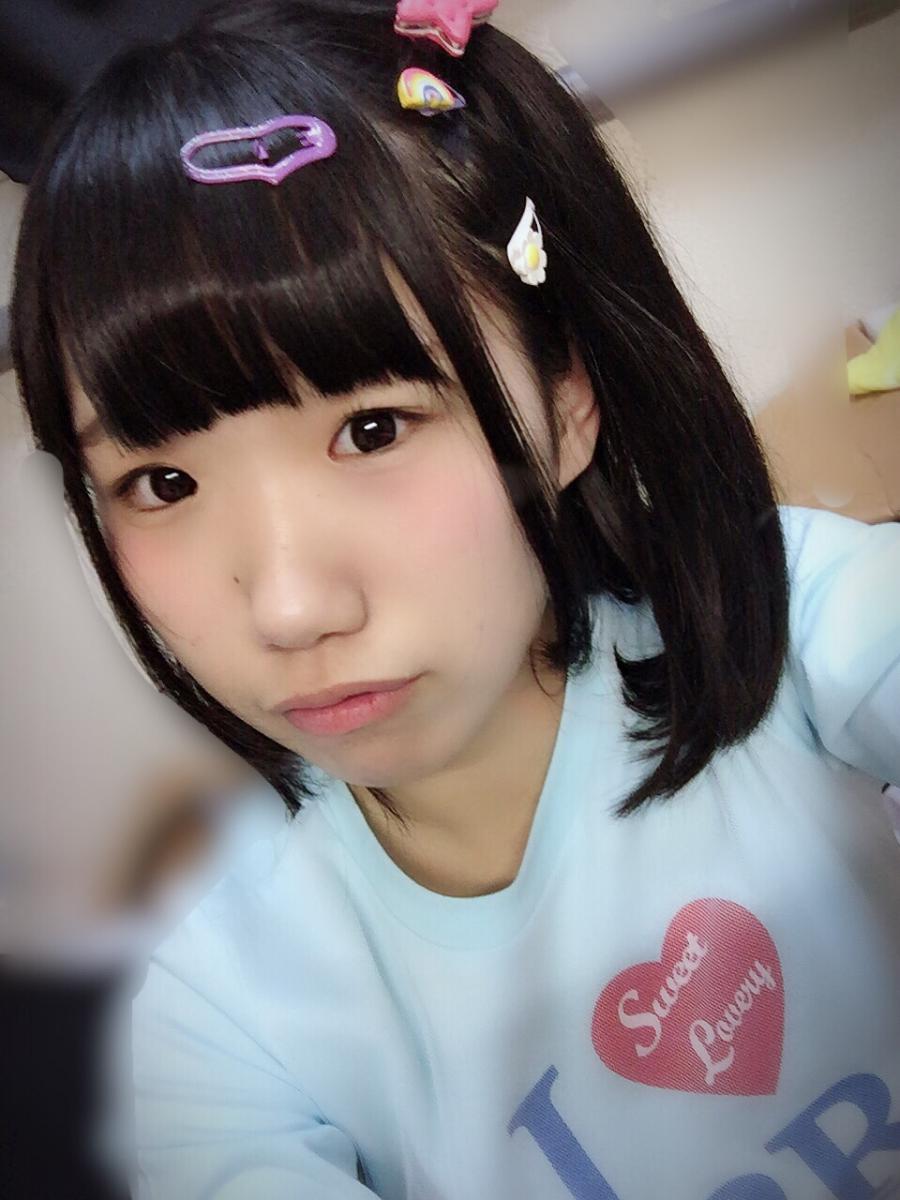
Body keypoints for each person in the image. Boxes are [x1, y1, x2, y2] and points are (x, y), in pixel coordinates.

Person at [8, 1, 900, 1196]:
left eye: (375, 429)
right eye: (160, 483)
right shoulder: (220, 1021)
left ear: (566, 401)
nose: (290, 609)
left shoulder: (797, 619)